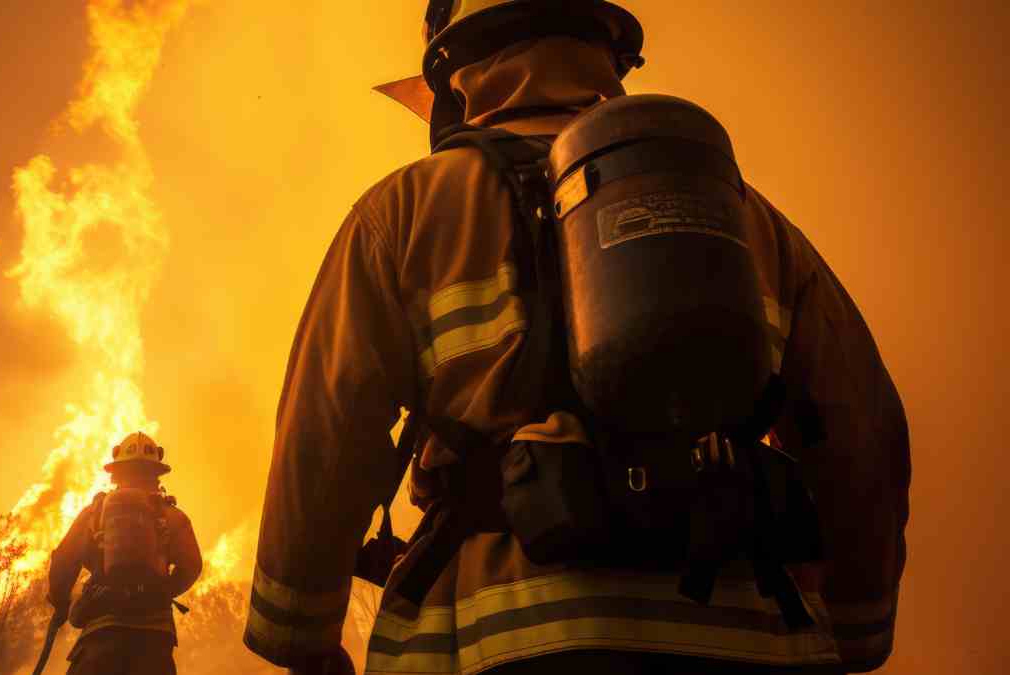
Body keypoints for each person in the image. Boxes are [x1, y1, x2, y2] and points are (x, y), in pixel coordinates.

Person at [244, 2, 909, 674]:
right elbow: (862, 432)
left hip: (499, 639)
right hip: (751, 638)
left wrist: (299, 631)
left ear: (454, 70)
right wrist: (860, 623)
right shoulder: (747, 218)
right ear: (607, 53)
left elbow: (325, 432)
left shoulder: (407, 211)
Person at [47, 432, 202, 675]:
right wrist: (161, 591)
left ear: (116, 473)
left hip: (100, 636)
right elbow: (192, 566)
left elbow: (63, 561)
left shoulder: (93, 515)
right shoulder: (173, 516)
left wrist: (60, 604)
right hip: (154, 641)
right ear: (156, 474)